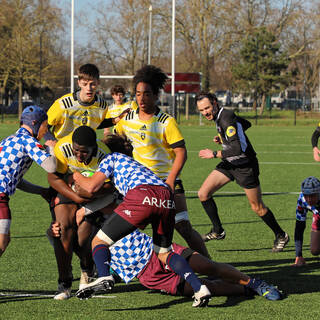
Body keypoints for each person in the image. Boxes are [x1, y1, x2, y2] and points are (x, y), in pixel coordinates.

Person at [73, 146, 212, 307]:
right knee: (164, 252)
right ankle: (200, 288)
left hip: (143, 196)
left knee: (99, 242)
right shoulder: (136, 164)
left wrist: (76, 175)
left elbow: (91, 186)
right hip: (166, 197)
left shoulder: (111, 157)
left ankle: (104, 275)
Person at [115, 65, 209, 258]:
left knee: (183, 226)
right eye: (138, 94)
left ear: (156, 95)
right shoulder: (128, 119)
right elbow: (116, 140)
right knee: (127, 228)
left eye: (147, 94)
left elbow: (181, 153)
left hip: (167, 181)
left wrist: (171, 181)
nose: (141, 98)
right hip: (140, 184)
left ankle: (210, 265)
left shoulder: (166, 122)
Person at [195, 92, 289, 252]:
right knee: (203, 193)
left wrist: (214, 153)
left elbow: (237, 148)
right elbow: (246, 124)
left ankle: (281, 235)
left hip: (245, 167)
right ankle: (218, 231)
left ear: (215, 103)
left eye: (207, 108)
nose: (205, 113)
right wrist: (224, 138)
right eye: (202, 110)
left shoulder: (225, 117)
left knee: (257, 207)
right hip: (230, 163)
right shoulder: (222, 117)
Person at [48, 125, 117, 300]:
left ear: (94, 148)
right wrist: (76, 197)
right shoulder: (62, 147)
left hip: (93, 195)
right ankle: (64, 283)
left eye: (84, 152)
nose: (79, 155)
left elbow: (110, 187)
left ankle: (87, 268)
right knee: (63, 230)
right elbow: (52, 178)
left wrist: (89, 195)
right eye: (76, 150)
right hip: (67, 189)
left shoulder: (104, 154)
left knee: (81, 238)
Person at [0, 105, 56, 257]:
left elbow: (14, 180)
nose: (46, 131)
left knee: (5, 240)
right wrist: (51, 148)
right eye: (45, 125)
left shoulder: (9, 140)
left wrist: (40, 191)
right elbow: (51, 167)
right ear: (35, 124)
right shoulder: (28, 140)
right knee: (1, 243)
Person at [45, 63, 129, 145]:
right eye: (85, 84)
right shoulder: (63, 104)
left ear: (98, 82)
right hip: (62, 151)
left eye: (92, 84)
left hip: (85, 152)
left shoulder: (102, 105)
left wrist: (116, 119)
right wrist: (52, 141)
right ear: (79, 83)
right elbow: (44, 125)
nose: (89, 88)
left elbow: (97, 123)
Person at [292, 176, 320, 266]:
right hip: (318, 216)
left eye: (312, 195)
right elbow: (299, 227)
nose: (309, 199)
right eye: (306, 195)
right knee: (314, 250)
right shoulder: (302, 200)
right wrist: (298, 256)